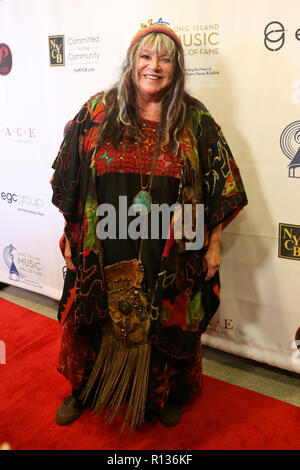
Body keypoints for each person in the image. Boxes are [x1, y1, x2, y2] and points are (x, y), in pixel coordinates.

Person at [51, 22, 247, 432]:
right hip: (105, 237)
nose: (153, 66)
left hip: (173, 245)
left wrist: (213, 242)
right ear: (131, 61)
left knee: (171, 317)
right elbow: (71, 176)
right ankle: (84, 389)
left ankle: (165, 393)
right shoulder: (96, 112)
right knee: (94, 311)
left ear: (176, 67)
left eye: (164, 58)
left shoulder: (195, 119)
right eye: (145, 56)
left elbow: (220, 181)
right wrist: (70, 232)